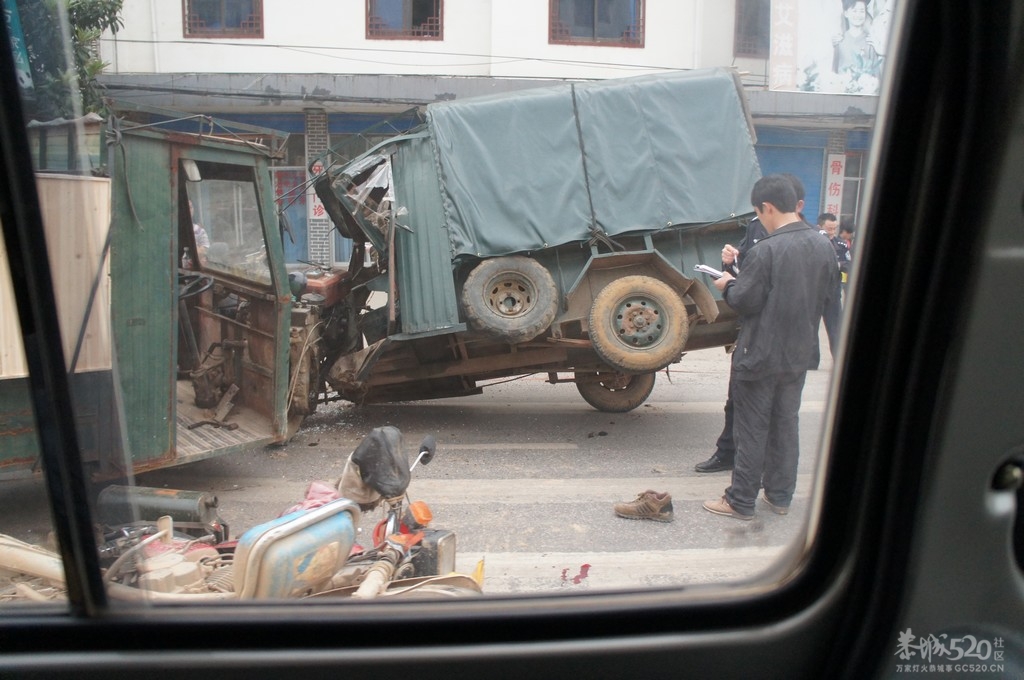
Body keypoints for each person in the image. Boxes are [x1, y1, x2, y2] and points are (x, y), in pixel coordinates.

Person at [702, 174, 838, 520]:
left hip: (760, 353)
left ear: (768, 207)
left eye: (759, 212)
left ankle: (740, 500)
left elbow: (746, 300)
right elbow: (830, 302)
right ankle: (780, 496)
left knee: (752, 427)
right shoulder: (824, 246)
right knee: (785, 424)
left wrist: (727, 284)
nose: (760, 219)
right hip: (797, 354)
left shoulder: (767, 249)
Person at [694, 174, 806, 474]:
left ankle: (745, 492)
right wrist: (730, 261)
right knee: (739, 403)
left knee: (767, 417)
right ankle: (734, 458)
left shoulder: (805, 240)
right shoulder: (758, 229)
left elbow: (747, 296)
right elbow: (745, 267)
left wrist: (729, 287)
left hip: (774, 338)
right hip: (756, 333)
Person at [817, 212, 848, 357]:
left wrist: (839, 264)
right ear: (820, 227)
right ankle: (811, 360)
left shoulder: (841, 244)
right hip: (816, 290)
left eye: (834, 229)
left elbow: (848, 264)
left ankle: (838, 357)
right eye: (829, 229)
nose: (832, 232)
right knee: (810, 328)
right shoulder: (815, 243)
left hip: (834, 290)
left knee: (835, 327)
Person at [833, 0, 878, 74]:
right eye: (854, 11)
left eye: (862, 11)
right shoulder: (839, 40)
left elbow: (876, 74)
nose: (858, 15)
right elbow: (834, 70)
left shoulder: (870, 41)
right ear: (846, 13)